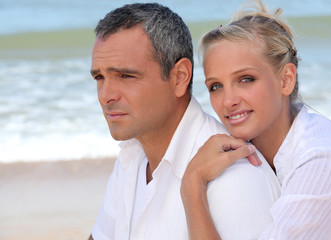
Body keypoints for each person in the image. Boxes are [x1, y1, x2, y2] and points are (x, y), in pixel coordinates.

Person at [88, 2, 280, 240]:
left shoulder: (237, 178)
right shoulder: (132, 156)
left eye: (126, 76)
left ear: (179, 78)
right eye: (99, 77)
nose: (106, 95)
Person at [180, 0, 331, 239]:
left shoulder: (322, 161)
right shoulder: (261, 150)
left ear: (286, 80)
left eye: (246, 79)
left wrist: (192, 185)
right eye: (216, 86)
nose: (228, 101)